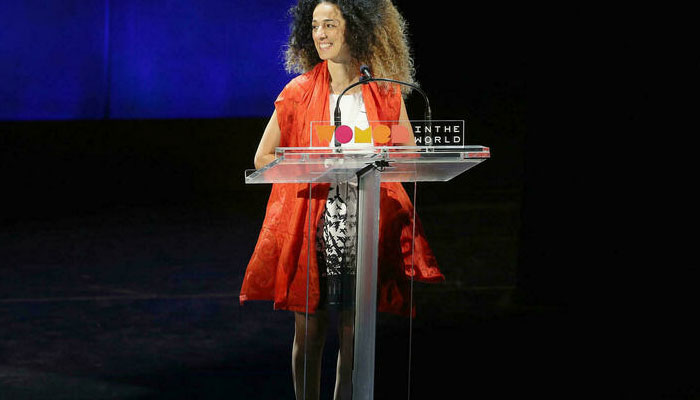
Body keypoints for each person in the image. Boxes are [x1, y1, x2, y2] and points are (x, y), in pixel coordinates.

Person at [239, 1, 444, 399]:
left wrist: (375, 161)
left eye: (330, 24)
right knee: (310, 331)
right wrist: (315, 166)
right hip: (313, 223)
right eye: (315, 26)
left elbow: (409, 156)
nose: (321, 34)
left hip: (364, 224)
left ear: (357, 28)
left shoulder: (385, 92)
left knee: (355, 335)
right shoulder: (298, 92)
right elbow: (263, 158)